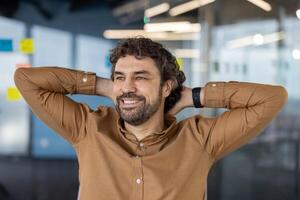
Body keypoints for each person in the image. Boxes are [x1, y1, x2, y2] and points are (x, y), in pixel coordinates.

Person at [14, 37, 288, 200]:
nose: (128, 86)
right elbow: (26, 80)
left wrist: (194, 97)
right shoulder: (87, 128)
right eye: (120, 76)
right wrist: (105, 86)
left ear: (166, 86)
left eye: (141, 77)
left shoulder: (201, 138)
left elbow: (271, 98)